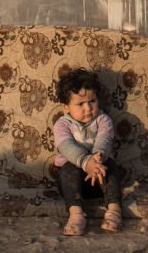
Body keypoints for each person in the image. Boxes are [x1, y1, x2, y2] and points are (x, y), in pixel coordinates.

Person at [53, 68, 123, 235]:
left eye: (92, 101)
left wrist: (98, 157)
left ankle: (114, 210)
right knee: (67, 169)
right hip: (73, 183)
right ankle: (76, 215)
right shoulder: (62, 124)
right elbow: (66, 146)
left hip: (99, 178)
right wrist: (86, 162)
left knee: (111, 167)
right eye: (80, 104)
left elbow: (104, 139)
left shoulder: (103, 119)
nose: (88, 108)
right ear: (66, 107)